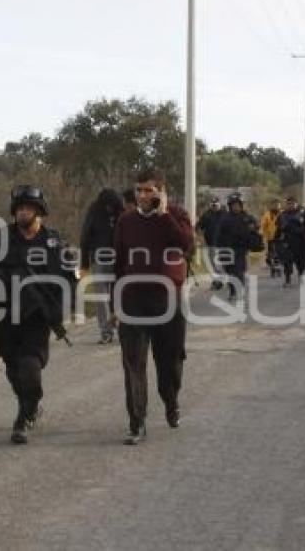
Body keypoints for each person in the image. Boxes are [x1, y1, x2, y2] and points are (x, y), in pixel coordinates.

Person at [0, 185, 78, 444]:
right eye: (19, 208)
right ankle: (29, 404)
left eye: (28, 208)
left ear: (39, 211)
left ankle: (25, 415)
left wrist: (61, 309)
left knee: (30, 367)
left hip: (36, 316)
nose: (23, 213)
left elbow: (70, 279)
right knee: (13, 367)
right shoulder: (2, 239)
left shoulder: (53, 242)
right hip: (5, 313)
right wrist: (8, 282)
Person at [111, 168, 194, 445]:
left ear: (160, 192)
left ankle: (171, 402)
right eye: (139, 190)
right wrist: (115, 304)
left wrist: (164, 215)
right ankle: (137, 423)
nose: (143, 195)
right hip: (133, 301)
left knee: (170, 364)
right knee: (133, 365)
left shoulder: (177, 216)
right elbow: (119, 264)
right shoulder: (126, 221)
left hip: (166, 301)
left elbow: (187, 245)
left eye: (149, 190)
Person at [80, 188, 125, 344]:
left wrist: (84, 262)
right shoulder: (122, 212)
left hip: (101, 257)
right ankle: (124, 328)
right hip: (120, 257)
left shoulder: (94, 210)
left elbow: (85, 235)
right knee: (120, 292)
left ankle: (106, 332)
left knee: (102, 296)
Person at [214, 193, 259, 301]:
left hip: (240, 249)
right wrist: (218, 247)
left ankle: (240, 290)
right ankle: (232, 291)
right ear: (230, 206)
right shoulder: (225, 218)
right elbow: (218, 234)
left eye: (238, 205)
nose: (236, 207)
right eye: (233, 205)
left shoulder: (247, 217)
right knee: (229, 272)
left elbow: (255, 228)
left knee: (239, 271)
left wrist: (254, 229)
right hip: (227, 249)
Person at [275, 197, 305, 288]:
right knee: (287, 261)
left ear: (296, 204)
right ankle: (287, 279)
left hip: (301, 241)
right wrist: (276, 239)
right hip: (288, 242)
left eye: (292, 203)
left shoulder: (303, 213)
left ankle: (301, 275)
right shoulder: (282, 215)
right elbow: (278, 229)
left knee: (301, 262)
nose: (290, 205)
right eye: (289, 204)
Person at [195, 197, 225, 289]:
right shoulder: (207, 215)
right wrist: (200, 237)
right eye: (213, 205)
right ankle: (218, 281)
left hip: (224, 243)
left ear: (219, 205)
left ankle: (221, 280)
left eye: (216, 205)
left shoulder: (224, 215)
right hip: (211, 243)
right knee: (213, 263)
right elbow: (198, 226)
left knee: (222, 263)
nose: (214, 207)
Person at [260, 199, 281, 278]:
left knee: (277, 256)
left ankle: (277, 269)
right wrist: (262, 235)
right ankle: (273, 268)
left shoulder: (282, 214)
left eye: (278, 205)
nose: (276, 206)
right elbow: (262, 226)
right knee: (270, 257)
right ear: (272, 205)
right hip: (270, 238)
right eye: (275, 205)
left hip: (280, 238)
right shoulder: (267, 215)